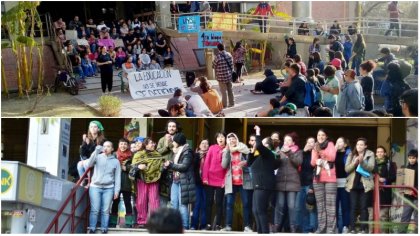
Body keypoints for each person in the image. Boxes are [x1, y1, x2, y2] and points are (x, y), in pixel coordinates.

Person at [247, 126, 280, 234]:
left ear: (267, 146)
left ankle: (264, 232)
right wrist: (252, 151)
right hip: (258, 186)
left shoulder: (268, 154)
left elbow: (260, 145)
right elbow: (249, 163)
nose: (258, 145)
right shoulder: (259, 156)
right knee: (255, 210)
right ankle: (260, 232)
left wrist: (258, 132)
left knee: (261, 211)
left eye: (263, 143)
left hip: (264, 185)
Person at [87, 141, 121, 234]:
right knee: (95, 209)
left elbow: (117, 177)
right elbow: (89, 165)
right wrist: (95, 152)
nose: (106, 148)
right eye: (104, 146)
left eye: (108, 146)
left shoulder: (116, 161)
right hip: (95, 187)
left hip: (109, 188)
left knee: (105, 210)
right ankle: (92, 228)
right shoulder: (97, 157)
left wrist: (116, 191)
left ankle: (104, 229)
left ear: (112, 149)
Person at [221, 133, 253, 232]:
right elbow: (224, 165)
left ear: (237, 139)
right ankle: (228, 226)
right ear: (227, 141)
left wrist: (246, 163)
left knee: (246, 204)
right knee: (229, 204)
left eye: (233, 139)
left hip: (244, 181)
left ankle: (247, 226)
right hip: (231, 182)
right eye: (229, 139)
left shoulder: (244, 150)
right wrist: (227, 151)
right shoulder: (226, 151)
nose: (232, 141)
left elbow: (251, 161)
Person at [164, 133, 195, 230]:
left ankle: (185, 226)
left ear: (178, 142)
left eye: (174, 141)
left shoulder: (187, 152)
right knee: (174, 203)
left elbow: (184, 166)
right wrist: (169, 164)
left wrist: (171, 165)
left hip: (184, 180)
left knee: (182, 204)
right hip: (175, 180)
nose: (172, 143)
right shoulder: (176, 152)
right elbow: (176, 164)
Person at [131, 138, 164, 228]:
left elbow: (161, 167)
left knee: (154, 201)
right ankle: (142, 221)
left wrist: (163, 167)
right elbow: (133, 166)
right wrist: (138, 166)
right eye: (151, 143)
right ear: (145, 145)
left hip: (154, 180)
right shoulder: (139, 154)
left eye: (154, 143)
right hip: (142, 180)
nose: (153, 144)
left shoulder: (158, 155)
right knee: (141, 201)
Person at [345, 138, 375, 234]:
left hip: (365, 184)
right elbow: (347, 169)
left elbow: (371, 168)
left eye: (361, 145)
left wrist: (362, 162)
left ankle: (363, 229)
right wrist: (355, 163)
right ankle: (352, 228)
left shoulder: (370, 154)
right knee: (353, 207)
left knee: (363, 207)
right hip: (353, 184)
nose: (359, 146)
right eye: (358, 144)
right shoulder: (351, 154)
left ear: (365, 146)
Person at [274, 133, 302, 233]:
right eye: (285, 141)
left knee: (291, 206)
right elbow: (275, 165)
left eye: (289, 140)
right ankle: (277, 226)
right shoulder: (279, 152)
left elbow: (298, 162)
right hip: (280, 182)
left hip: (293, 183)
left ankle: (293, 227)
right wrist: (276, 155)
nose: (286, 142)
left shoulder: (298, 152)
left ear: (293, 142)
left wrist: (289, 152)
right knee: (280, 205)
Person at [311, 129, 337, 234]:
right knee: (320, 205)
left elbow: (332, 157)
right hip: (317, 178)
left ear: (326, 136)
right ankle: (321, 229)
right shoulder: (315, 146)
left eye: (323, 135)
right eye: (319, 135)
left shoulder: (330, 144)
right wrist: (321, 158)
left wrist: (320, 154)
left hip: (330, 178)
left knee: (330, 205)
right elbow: (313, 162)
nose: (320, 137)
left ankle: (331, 229)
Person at [202, 132, 227, 231]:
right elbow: (206, 163)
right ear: (216, 139)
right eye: (218, 137)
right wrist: (205, 178)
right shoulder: (212, 148)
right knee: (209, 202)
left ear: (225, 138)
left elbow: (228, 167)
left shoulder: (227, 149)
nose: (220, 139)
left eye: (222, 137)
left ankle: (218, 224)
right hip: (210, 179)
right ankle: (208, 223)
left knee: (219, 203)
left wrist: (225, 180)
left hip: (221, 180)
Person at [109, 138, 133, 228]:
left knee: (127, 202)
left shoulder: (132, 155)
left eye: (125, 144)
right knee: (115, 202)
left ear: (128, 146)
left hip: (127, 182)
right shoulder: (114, 155)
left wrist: (126, 168)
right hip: (115, 183)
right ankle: (113, 222)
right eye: (121, 144)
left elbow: (134, 168)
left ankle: (129, 223)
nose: (123, 146)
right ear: (118, 145)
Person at [295, 137, 318, 233]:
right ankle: (302, 228)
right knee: (299, 207)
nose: (310, 144)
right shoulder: (301, 153)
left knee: (310, 208)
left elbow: (316, 170)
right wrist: (303, 152)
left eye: (312, 142)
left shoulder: (316, 154)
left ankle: (312, 228)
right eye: (308, 142)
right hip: (300, 184)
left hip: (310, 184)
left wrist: (312, 186)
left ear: (315, 144)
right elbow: (297, 164)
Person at [156, 120, 180, 207]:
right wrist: (166, 145)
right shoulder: (162, 139)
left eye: (173, 126)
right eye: (170, 126)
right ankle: (163, 217)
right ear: (167, 128)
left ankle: (173, 217)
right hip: (164, 170)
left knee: (174, 196)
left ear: (176, 129)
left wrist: (169, 142)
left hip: (175, 170)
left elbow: (178, 152)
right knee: (163, 195)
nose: (171, 128)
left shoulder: (179, 139)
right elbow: (158, 152)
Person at [375, 146, 397, 233]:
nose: (379, 153)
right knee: (372, 216)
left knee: (383, 216)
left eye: (381, 152)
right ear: (376, 154)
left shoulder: (389, 164)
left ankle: (383, 233)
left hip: (385, 193)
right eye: (378, 152)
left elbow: (394, 177)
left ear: (385, 153)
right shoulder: (372, 164)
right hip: (373, 194)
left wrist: (385, 179)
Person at [78, 120, 106, 185]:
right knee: (79, 164)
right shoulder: (87, 139)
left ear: (98, 129)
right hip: (87, 160)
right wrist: (84, 142)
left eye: (95, 127)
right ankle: (83, 181)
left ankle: (89, 181)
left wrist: (89, 144)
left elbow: (97, 152)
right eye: (91, 127)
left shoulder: (103, 140)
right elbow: (82, 153)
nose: (92, 129)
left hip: (98, 161)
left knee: (82, 164)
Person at [191, 140, 209, 230]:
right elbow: (192, 166)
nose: (204, 145)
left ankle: (203, 225)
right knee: (196, 204)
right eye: (202, 143)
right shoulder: (195, 155)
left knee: (204, 204)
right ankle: (194, 225)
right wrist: (197, 157)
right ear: (199, 145)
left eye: (206, 144)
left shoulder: (210, 155)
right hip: (197, 182)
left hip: (207, 183)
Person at [335, 137, 352, 234]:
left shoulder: (349, 153)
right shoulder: (333, 154)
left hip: (345, 183)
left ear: (345, 144)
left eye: (340, 142)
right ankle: (336, 226)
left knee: (345, 206)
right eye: (336, 142)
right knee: (335, 207)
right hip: (334, 183)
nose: (338, 143)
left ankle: (346, 226)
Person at [400, 149, 418, 233]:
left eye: (413, 158)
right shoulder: (405, 168)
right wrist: (402, 190)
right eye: (410, 157)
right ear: (408, 158)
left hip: (417, 196)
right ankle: (401, 233)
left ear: (417, 158)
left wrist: (414, 191)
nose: (411, 159)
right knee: (405, 216)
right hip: (407, 196)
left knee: (417, 217)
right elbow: (401, 182)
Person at [212, 43, 234, 108]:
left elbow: (213, 66)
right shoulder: (229, 54)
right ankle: (232, 103)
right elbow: (232, 65)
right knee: (230, 90)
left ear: (218, 49)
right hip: (229, 76)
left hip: (221, 78)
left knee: (223, 92)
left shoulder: (217, 57)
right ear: (224, 47)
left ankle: (224, 105)